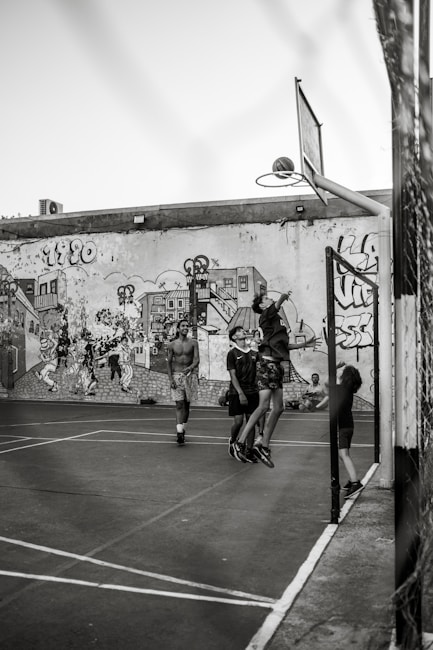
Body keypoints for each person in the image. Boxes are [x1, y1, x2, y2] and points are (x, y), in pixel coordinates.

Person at [234, 290, 318, 468]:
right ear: (263, 306)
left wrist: (306, 344)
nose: (269, 299)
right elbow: (276, 305)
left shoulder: (276, 321)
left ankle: (263, 445)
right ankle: (240, 442)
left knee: (279, 408)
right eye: (266, 299)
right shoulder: (266, 315)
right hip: (267, 364)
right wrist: (283, 297)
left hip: (277, 366)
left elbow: (285, 344)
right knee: (264, 406)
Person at [315, 362, 364, 498]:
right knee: (343, 455)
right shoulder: (347, 390)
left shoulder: (340, 389)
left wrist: (334, 368)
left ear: (344, 377)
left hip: (343, 427)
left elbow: (324, 386)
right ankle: (352, 479)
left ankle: (355, 483)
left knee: (344, 455)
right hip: (348, 426)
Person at [226, 326, 260, 464]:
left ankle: (249, 450)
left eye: (243, 331)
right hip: (237, 391)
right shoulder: (232, 353)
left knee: (251, 421)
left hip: (252, 391)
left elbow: (258, 372)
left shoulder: (254, 353)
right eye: (239, 331)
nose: (243, 332)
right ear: (234, 337)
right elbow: (233, 376)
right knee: (239, 421)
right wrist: (240, 393)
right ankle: (233, 441)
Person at [166, 319, 200, 445]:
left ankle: (183, 428)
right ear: (178, 328)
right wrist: (170, 379)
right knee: (179, 404)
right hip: (176, 375)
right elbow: (169, 363)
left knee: (186, 405)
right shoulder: (172, 345)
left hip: (190, 376)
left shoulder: (193, 343)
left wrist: (190, 368)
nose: (186, 327)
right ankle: (179, 432)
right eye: (183, 326)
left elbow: (196, 360)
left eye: (187, 326)